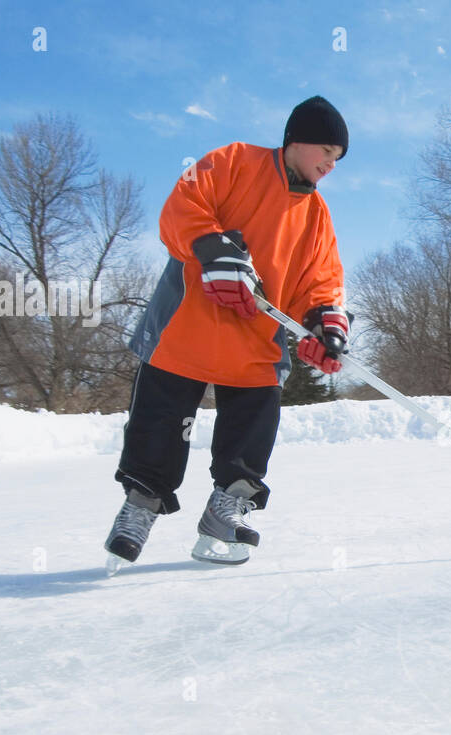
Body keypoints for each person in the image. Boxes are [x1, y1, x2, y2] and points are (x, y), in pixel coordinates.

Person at [105, 95, 353, 566]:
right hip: (186, 328)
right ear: (295, 139)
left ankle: (227, 509)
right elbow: (180, 209)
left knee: (253, 427)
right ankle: (139, 507)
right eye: (326, 150)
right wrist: (213, 248)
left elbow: (320, 279)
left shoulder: (317, 216)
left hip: (257, 340)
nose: (330, 164)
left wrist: (322, 321)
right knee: (159, 422)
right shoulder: (234, 161)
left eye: (337, 159)